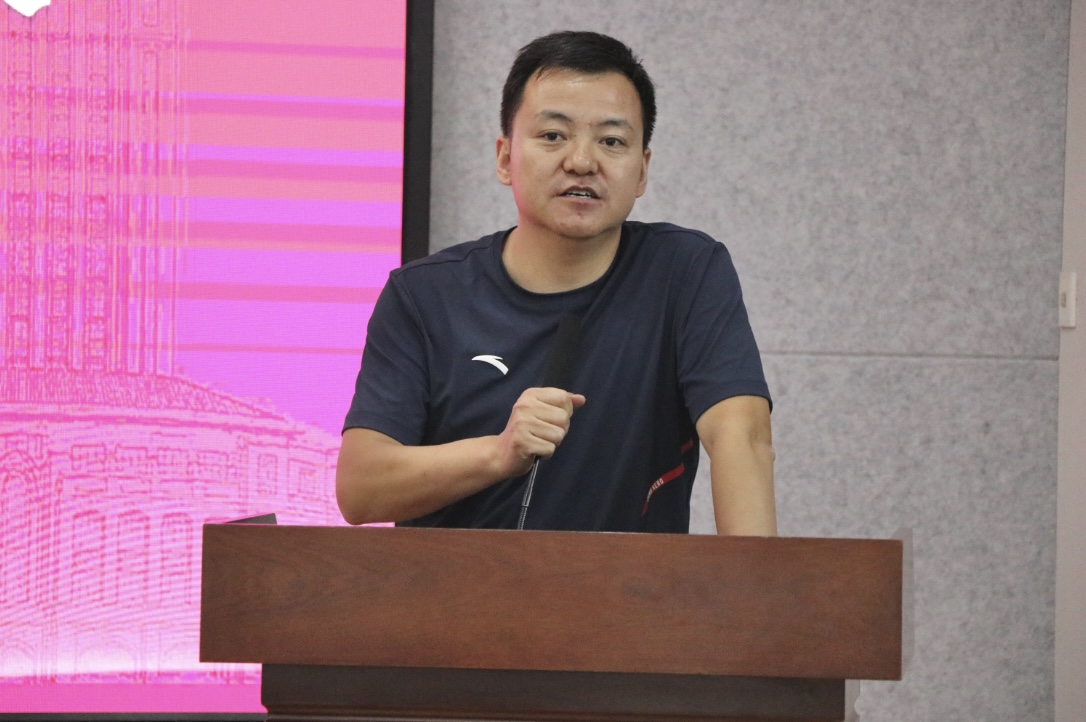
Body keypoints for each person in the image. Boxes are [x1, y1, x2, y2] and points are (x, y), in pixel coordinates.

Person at [336, 30, 776, 535]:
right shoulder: (424, 296)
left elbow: (742, 436)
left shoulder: (685, 273)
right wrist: (499, 453)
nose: (582, 162)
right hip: (453, 585)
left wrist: (753, 582)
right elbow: (360, 488)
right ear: (505, 158)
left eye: (611, 141)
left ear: (642, 171)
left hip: (632, 586)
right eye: (553, 135)